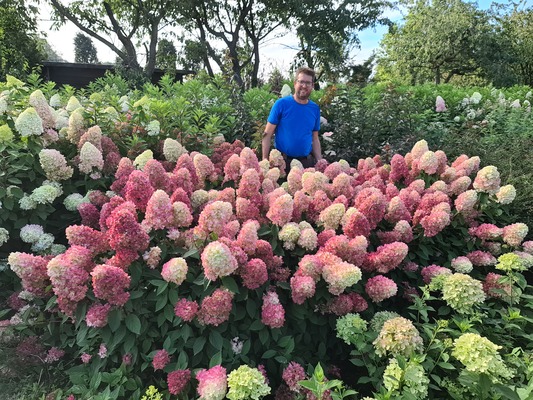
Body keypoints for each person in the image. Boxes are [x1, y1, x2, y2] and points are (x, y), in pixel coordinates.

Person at [262, 67, 322, 168]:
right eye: (301, 82)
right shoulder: (281, 104)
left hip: (306, 164)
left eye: (308, 83)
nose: (304, 86)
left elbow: (315, 138)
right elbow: (267, 134)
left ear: (312, 85)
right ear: (295, 83)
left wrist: (320, 161)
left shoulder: (314, 109)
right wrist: (264, 160)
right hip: (283, 164)